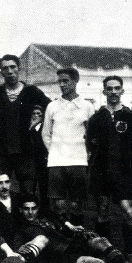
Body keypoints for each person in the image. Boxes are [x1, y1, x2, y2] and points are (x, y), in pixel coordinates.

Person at [16, 194, 132, 263]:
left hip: (73, 242)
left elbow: (64, 224)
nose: (30, 212)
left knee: (100, 240)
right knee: (95, 262)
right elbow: (21, 249)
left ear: (38, 209)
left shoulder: (46, 218)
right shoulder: (21, 229)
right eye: (26, 209)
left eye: (33, 208)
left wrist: (77, 230)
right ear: (20, 210)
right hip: (62, 256)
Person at [86, 76, 132, 257]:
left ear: (122, 91)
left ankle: (130, 252)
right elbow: (90, 143)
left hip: (123, 172)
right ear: (104, 92)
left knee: (127, 210)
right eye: (110, 89)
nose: (114, 92)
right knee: (102, 210)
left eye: (117, 88)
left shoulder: (129, 116)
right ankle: (104, 251)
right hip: (101, 171)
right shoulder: (96, 118)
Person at [0, 54, 50, 194]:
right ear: (1, 72)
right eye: (5, 68)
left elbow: (50, 107)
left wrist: (38, 120)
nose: (10, 71)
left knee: (27, 189)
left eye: (13, 67)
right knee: (1, 188)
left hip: (26, 148)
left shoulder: (31, 91)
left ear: (19, 68)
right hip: (3, 149)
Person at [42, 68, 95, 227]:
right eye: (60, 81)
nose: (62, 84)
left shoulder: (87, 106)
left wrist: (87, 153)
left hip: (78, 161)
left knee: (76, 205)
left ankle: (78, 239)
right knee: (58, 205)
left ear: (75, 81)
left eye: (66, 81)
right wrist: (54, 152)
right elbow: (46, 134)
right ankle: (61, 240)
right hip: (57, 162)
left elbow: (92, 135)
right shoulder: (52, 106)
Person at [0, 171, 50, 263]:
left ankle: (22, 261)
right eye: (0, 183)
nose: (4, 186)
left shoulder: (18, 197)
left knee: (42, 238)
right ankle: (22, 262)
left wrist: (22, 244)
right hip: (4, 244)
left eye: (7, 182)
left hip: (24, 239)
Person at [29, 105, 49, 213]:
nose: (36, 116)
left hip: (42, 162)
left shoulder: (45, 128)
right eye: (34, 113)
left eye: (39, 114)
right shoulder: (28, 127)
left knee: (43, 188)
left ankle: (44, 211)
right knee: (29, 188)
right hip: (29, 162)